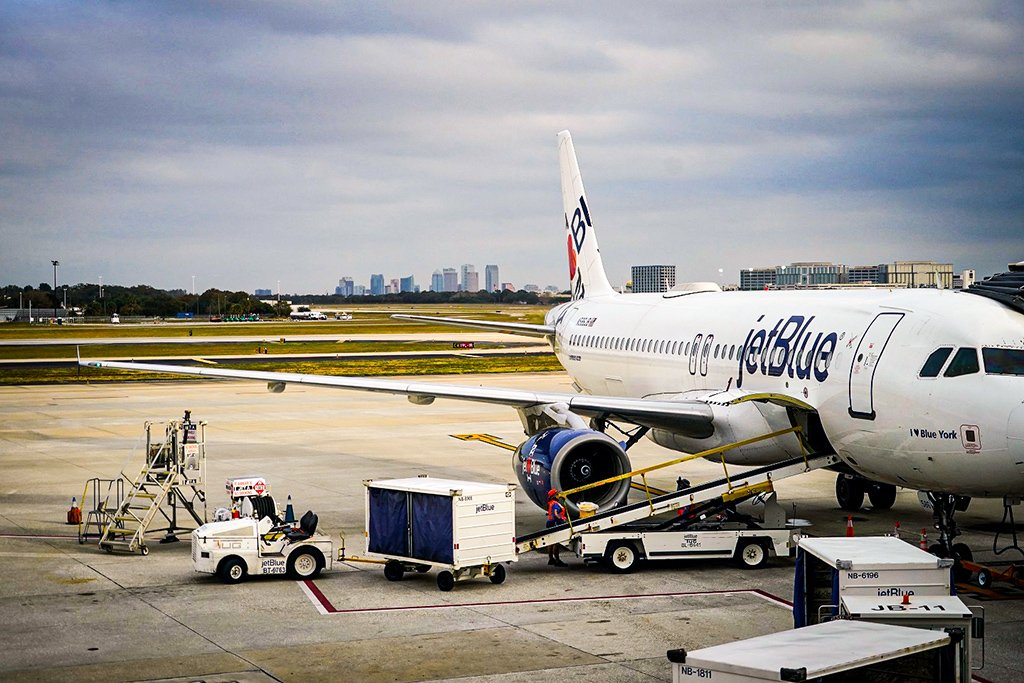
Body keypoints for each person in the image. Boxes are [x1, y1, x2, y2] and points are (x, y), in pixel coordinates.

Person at [546, 488, 568, 567]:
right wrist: (561, 519)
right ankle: (557, 560)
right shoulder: (555, 504)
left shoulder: (551, 503)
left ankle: (551, 559)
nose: (559, 495)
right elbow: (555, 514)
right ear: (554, 496)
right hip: (555, 523)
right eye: (557, 494)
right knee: (556, 543)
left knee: (550, 542)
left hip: (550, 523)